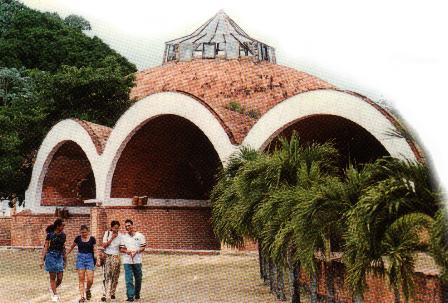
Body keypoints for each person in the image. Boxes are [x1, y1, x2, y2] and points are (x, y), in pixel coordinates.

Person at [66, 224, 97, 303]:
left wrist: (98, 259)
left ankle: (88, 289)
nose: (84, 234)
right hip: (80, 259)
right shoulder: (78, 238)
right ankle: (82, 297)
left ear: (88, 232)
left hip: (90, 258)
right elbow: (72, 247)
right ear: (80, 232)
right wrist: (66, 254)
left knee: (90, 280)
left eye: (85, 232)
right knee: (81, 279)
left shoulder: (92, 239)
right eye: (82, 232)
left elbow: (95, 249)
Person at [119, 219, 146, 302]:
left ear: (132, 225)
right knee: (129, 279)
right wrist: (127, 251)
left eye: (129, 225)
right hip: (127, 261)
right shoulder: (124, 237)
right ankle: (130, 296)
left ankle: (137, 293)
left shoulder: (140, 236)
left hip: (137, 261)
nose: (127, 227)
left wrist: (136, 251)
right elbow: (121, 249)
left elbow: (143, 247)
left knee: (138, 278)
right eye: (126, 226)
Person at [40, 218, 66, 302]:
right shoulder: (50, 235)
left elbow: (63, 247)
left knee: (60, 278)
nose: (64, 227)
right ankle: (54, 295)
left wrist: (65, 259)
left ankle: (52, 289)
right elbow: (46, 247)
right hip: (50, 256)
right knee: (53, 277)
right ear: (58, 226)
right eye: (62, 225)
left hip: (59, 256)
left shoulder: (63, 235)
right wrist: (42, 259)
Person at [100, 220, 122, 302]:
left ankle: (112, 293)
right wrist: (112, 238)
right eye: (115, 228)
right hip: (107, 256)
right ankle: (104, 294)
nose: (116, 230)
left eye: (118, 228)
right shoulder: (107, 233)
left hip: (116, 256)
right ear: (112, 227)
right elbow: (104, 245)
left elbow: (121, 247)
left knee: (115, 275)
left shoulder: (121, 235)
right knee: (106, 275)